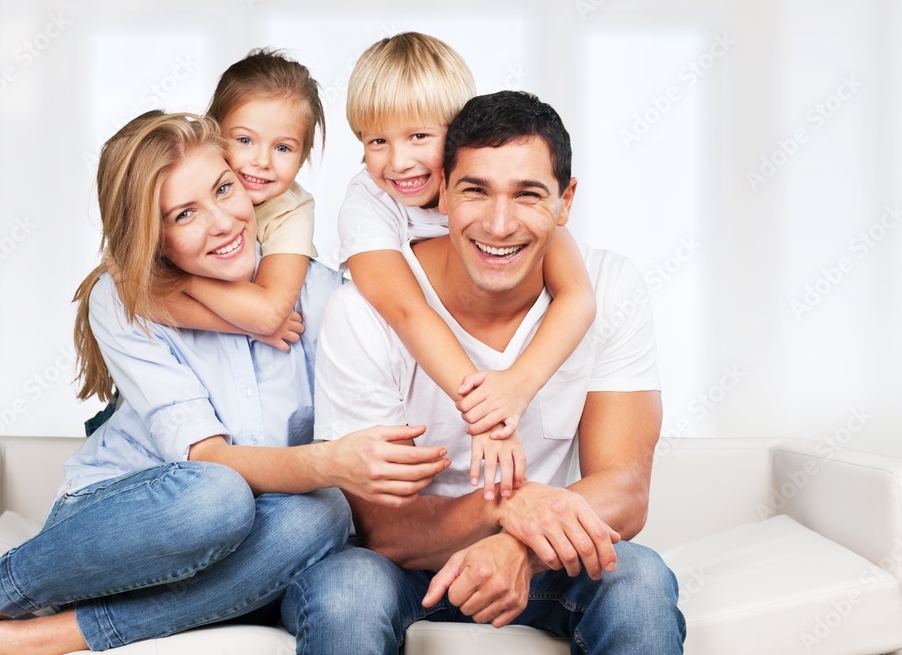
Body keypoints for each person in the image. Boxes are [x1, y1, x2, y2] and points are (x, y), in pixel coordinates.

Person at [0, 112, 449, 654]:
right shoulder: (124, 302)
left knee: (324, 513)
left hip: (260, 548)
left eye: (224, 189)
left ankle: (40, 640)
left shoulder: (323, 295)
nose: (224, 223)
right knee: (216, 494)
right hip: (127, 526)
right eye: (185, 214)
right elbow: (208, 460)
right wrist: (327, 462)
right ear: (153, 237)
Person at [282, 91, 686, 654]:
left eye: (528, 195)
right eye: (476, 190)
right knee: (346, 589)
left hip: (540, 556)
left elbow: (626, 489)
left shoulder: (609, 286)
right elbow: (385, 531)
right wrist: (502, 505)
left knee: (637, 580)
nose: (499, 224)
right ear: (442, 190)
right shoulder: (363, 310)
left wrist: (517, 545)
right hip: (405, 566)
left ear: (566, 201)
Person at [338, 33, 597, 499]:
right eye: (376, 140)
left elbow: (577, 297)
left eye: (419, 136)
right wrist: (484, 415)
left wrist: (516, 387)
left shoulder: (505, 193)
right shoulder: (369, 202)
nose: (399, 162)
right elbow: (406, 311)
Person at [106, 48, 325, 350]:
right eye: (245, 140)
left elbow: (269, 314)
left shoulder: (292, 211)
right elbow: (141, 301)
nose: (262, 161)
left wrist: (176, 278)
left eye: (283, 148)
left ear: (302, 158)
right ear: (215, 134)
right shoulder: (182, 175)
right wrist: (247, 329)